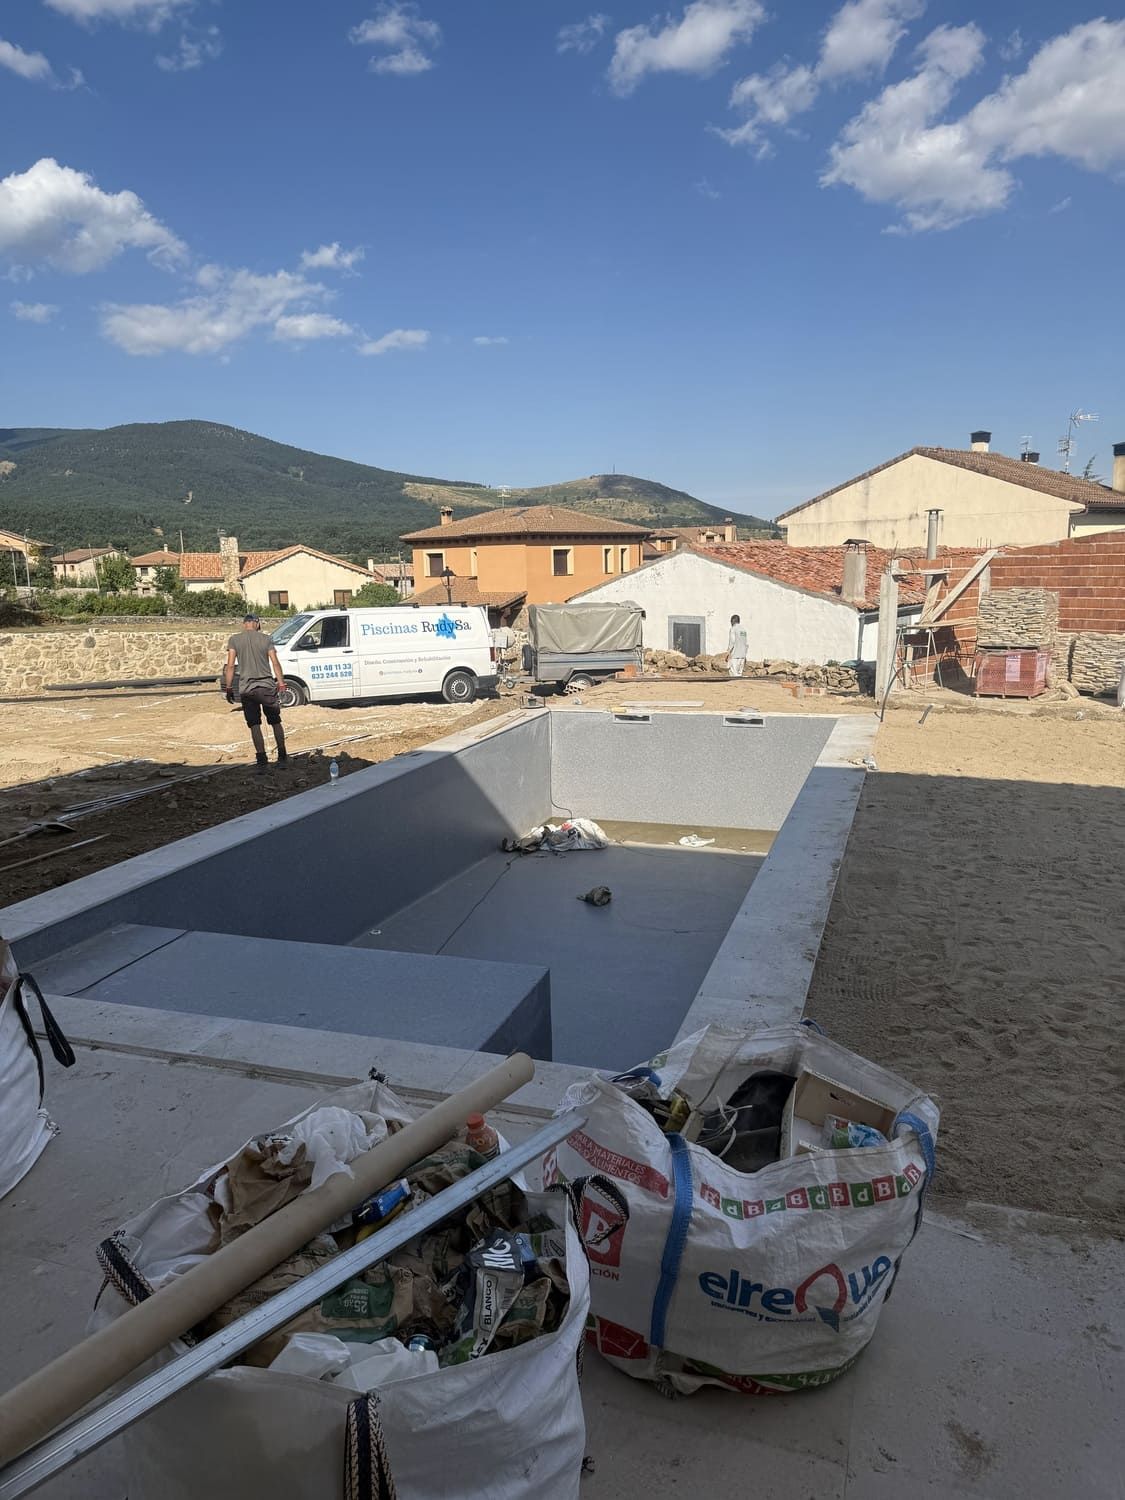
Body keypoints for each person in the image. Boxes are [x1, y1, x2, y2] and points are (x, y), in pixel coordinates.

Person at [224, 614, 288, 772]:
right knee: (275, 721)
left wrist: (229, 687)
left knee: (254, 725)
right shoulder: (266, 639)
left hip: (247, 689)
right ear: (257, 623)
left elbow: (231, 666)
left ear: (244, 624)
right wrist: (281, 684)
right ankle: (282, 755)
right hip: (266, 686)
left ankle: (261, 759)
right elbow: (275, 662)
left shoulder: (234, 640)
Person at [727, 614, 748, 678]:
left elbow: (732, 641)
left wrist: (728, 652)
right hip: (742, 655)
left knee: (733, 674)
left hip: (735, 655)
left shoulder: (733, 629)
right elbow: (746, 643)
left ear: (733, 621)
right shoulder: (743, 630)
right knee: (739, 674)